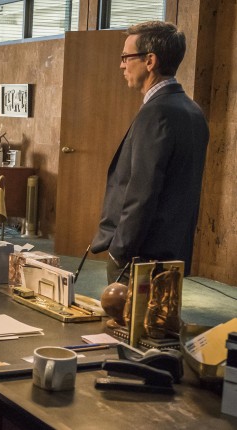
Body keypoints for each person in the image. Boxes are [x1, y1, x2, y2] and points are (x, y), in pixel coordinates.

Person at [91, 21, 209, 284]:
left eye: (126, 57)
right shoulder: (193, 111)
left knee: (127, 313)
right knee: (161, 312)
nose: (122, 65)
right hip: (173, 251)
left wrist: (120, 251)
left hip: (140, 255)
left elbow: (142, 191)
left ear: (150, 61)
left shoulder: (156, 112)